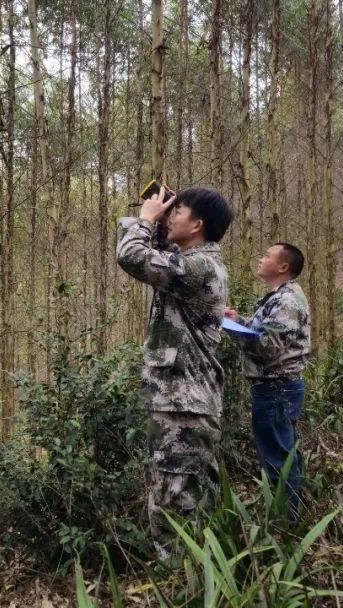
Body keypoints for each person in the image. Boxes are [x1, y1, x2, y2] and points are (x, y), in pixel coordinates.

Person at [116, 185, 234, 557]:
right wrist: (162, 219)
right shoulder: (192, 262)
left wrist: (145, 220)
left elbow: (133, 256)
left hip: (184, 408)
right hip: (180, 404)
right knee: (177, 499)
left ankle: (181, 578)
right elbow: (156, 253)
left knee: (176, 507)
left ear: (198, 225)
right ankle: (186, 576)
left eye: (178, 211)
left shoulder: (198, 267)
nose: (170, 216)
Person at [224, 243, 311, 520]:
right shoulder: (279, 298)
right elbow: (266, 331)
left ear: (283, 266)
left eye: (267, 256)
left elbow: (269, 347)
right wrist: (239, 320)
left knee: (277, 459)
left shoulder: (287, 301)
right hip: (276, 388)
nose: (260, 259)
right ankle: (292, 515)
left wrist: (231, 329)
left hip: (276, 388)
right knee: (283, 453)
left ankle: (285, 522)